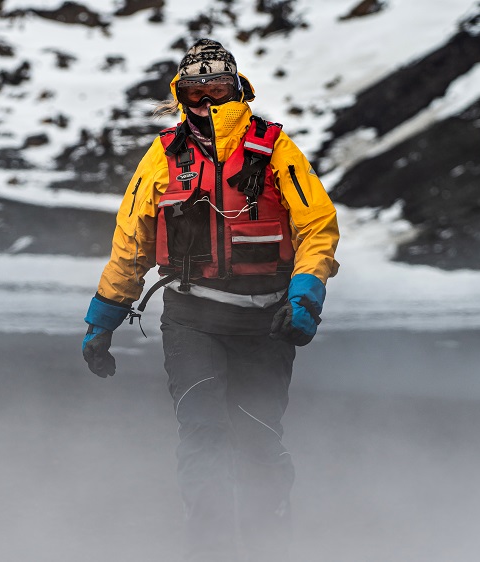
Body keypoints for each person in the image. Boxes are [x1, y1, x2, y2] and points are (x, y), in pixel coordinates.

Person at [81, 38, 339, 562]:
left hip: (268, 320)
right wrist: (102, 320)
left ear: (238, 88)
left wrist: (305, 297)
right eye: (196, 90)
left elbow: (316, 225)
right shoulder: (162, 157)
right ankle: (210, 548)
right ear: (181, 93)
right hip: (191, 317)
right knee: (203, 433)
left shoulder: (275, 149)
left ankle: (270, 545)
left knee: (259, 442)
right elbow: (131, 241)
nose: (207, 100)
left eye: (218, 88)